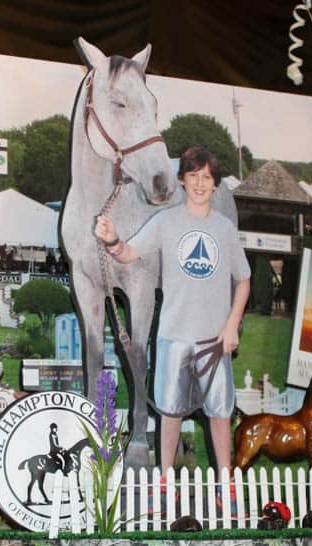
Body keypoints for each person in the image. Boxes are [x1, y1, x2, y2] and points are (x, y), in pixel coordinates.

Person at [93, 145, 250, 474]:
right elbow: (128, 253)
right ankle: (165, 483)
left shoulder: (224, 229)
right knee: (170, 413)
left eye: (206, 177)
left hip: (214, 340)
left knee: (221, 414)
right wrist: (111, 239)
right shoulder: (165, 221)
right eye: (193, 175)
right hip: (172, 337)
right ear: (181, 181)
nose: (200, 183)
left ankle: (226, 485)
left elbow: (244, 280)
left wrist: (232, 325)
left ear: (215, 183)